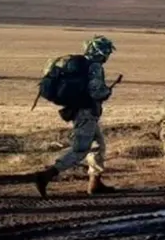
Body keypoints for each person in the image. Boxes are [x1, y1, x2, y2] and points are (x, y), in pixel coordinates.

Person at [32, 36, 119, 196]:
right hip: (86, 112)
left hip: (82, 111)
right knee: (81, 149)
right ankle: (47, 175)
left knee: (98, 146)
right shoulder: (94, 67)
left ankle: (95, 182)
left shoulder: (79, 65)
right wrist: (107, 92)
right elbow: (96, 91)